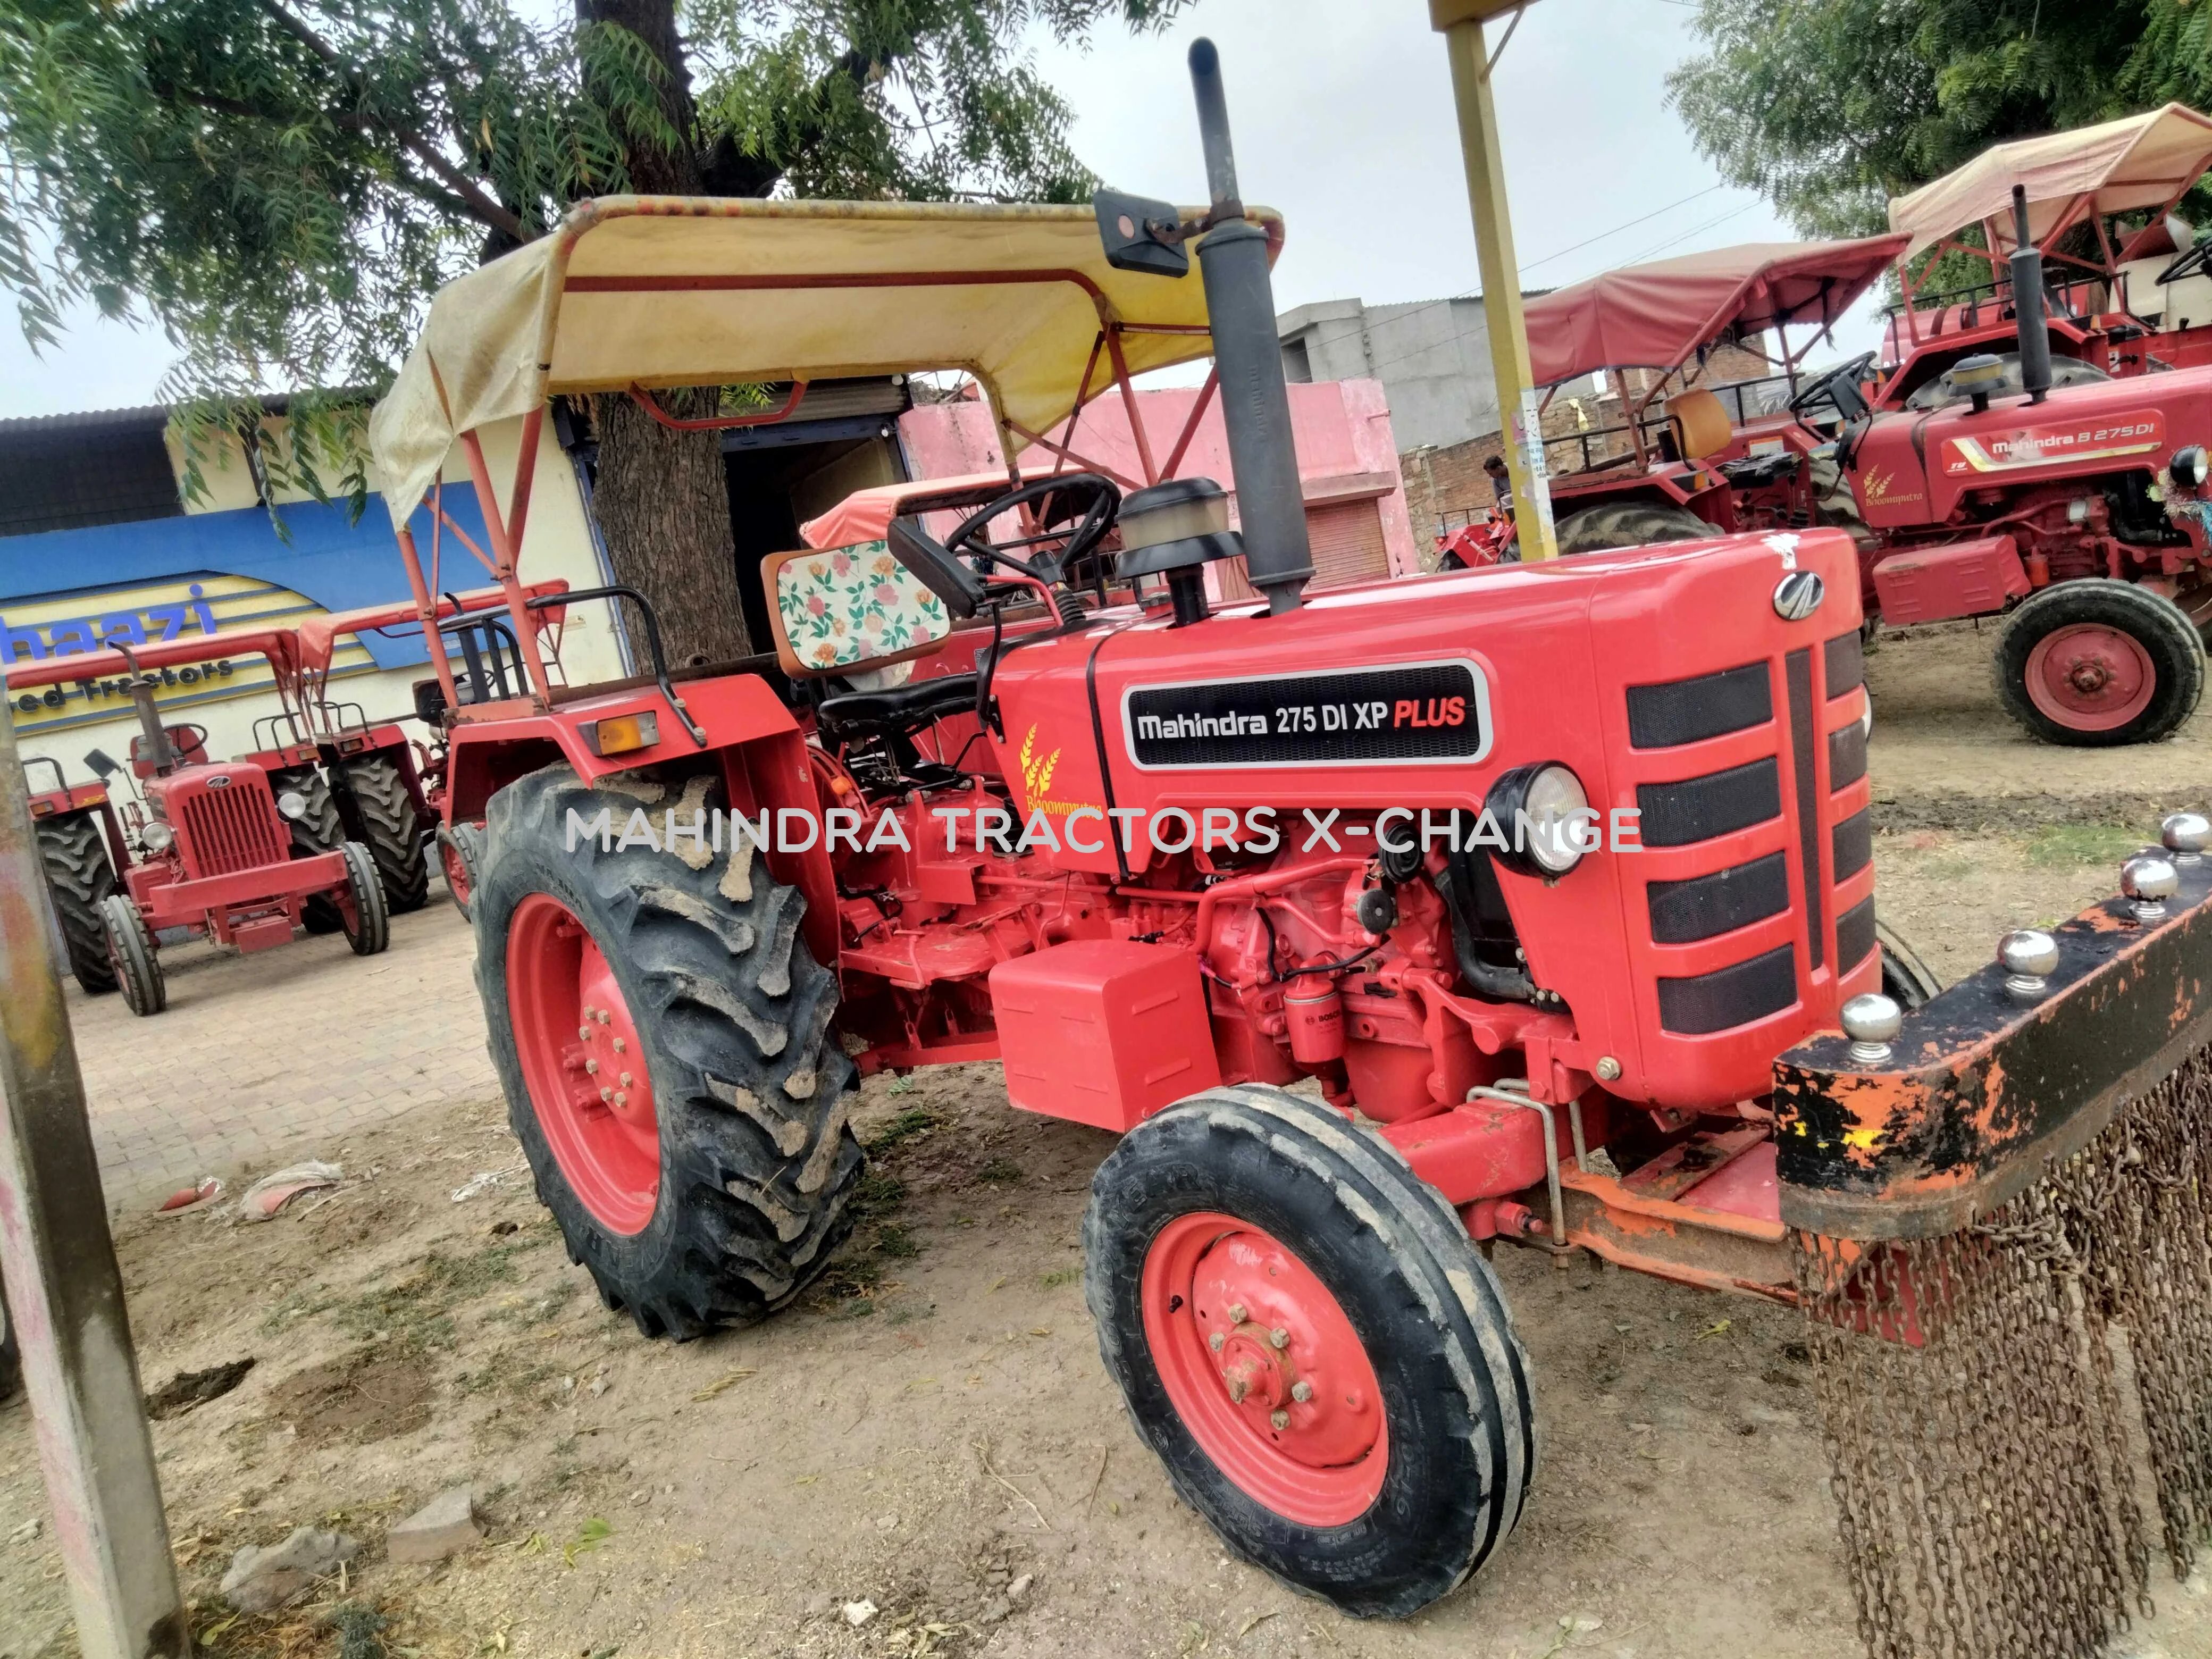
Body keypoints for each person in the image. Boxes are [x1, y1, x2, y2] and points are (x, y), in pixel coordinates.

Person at [1484, 453, 1515, 521]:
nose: (1490, 476)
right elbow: (1499, 498)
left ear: (1498, 468)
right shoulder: (1495, 480)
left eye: (1491, 473)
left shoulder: (1515, 468)